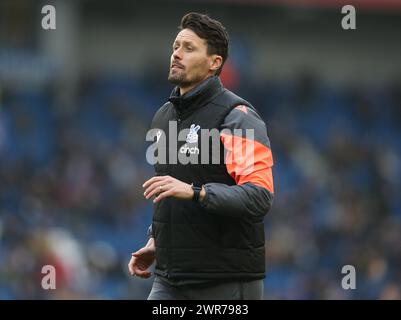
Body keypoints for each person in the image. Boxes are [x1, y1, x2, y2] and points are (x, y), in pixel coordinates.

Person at [128, 12, 274, 300]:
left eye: (189, 48)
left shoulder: (237, 117)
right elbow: (170, 192)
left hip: (225, 280)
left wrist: (197, 193)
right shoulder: (163, 117)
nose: (177, 54)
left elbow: (260, 196)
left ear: (214, 62)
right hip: (170, 279)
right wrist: (157, 239)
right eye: (175, 47)